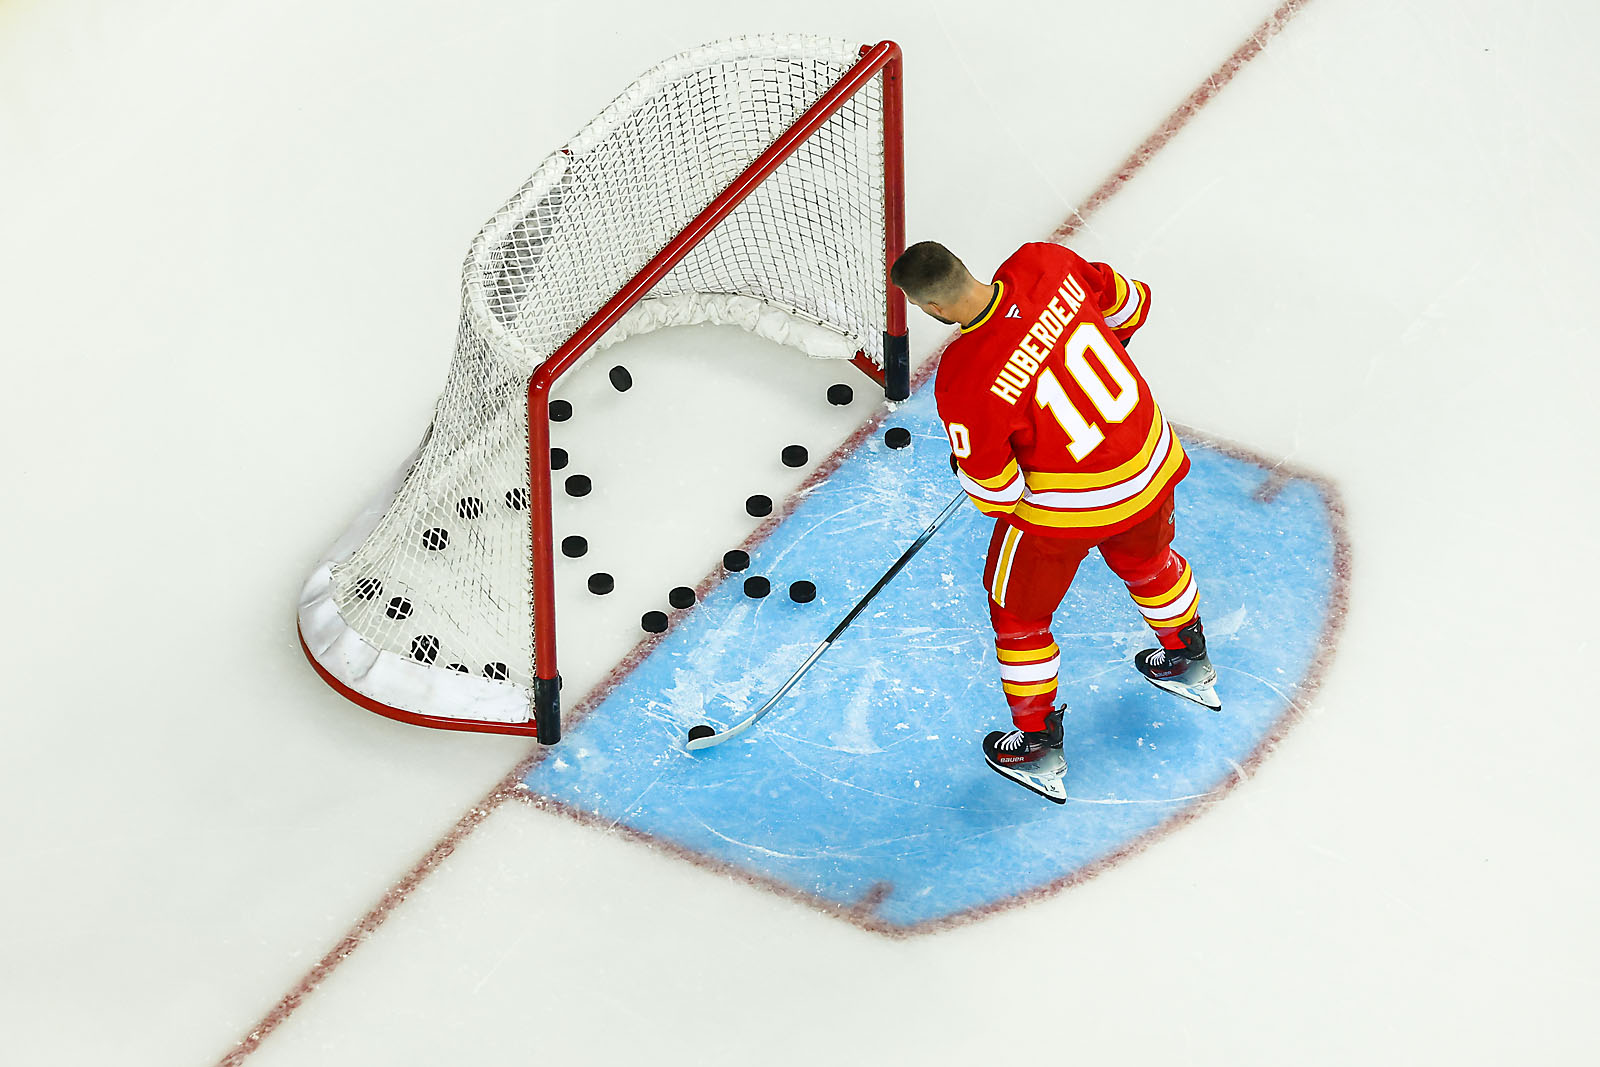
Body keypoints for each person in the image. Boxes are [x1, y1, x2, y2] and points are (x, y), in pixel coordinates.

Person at [889, 240, 1219, 803]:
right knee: (1148, 562)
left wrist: (967, 463)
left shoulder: (965, 374)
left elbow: (998, 493)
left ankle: (1038, 745)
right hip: (1148, 460)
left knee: (1017, 615)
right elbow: (1131, 307)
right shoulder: (1043, 262)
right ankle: (1188, 658)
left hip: (1068, 509)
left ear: (935, 310)